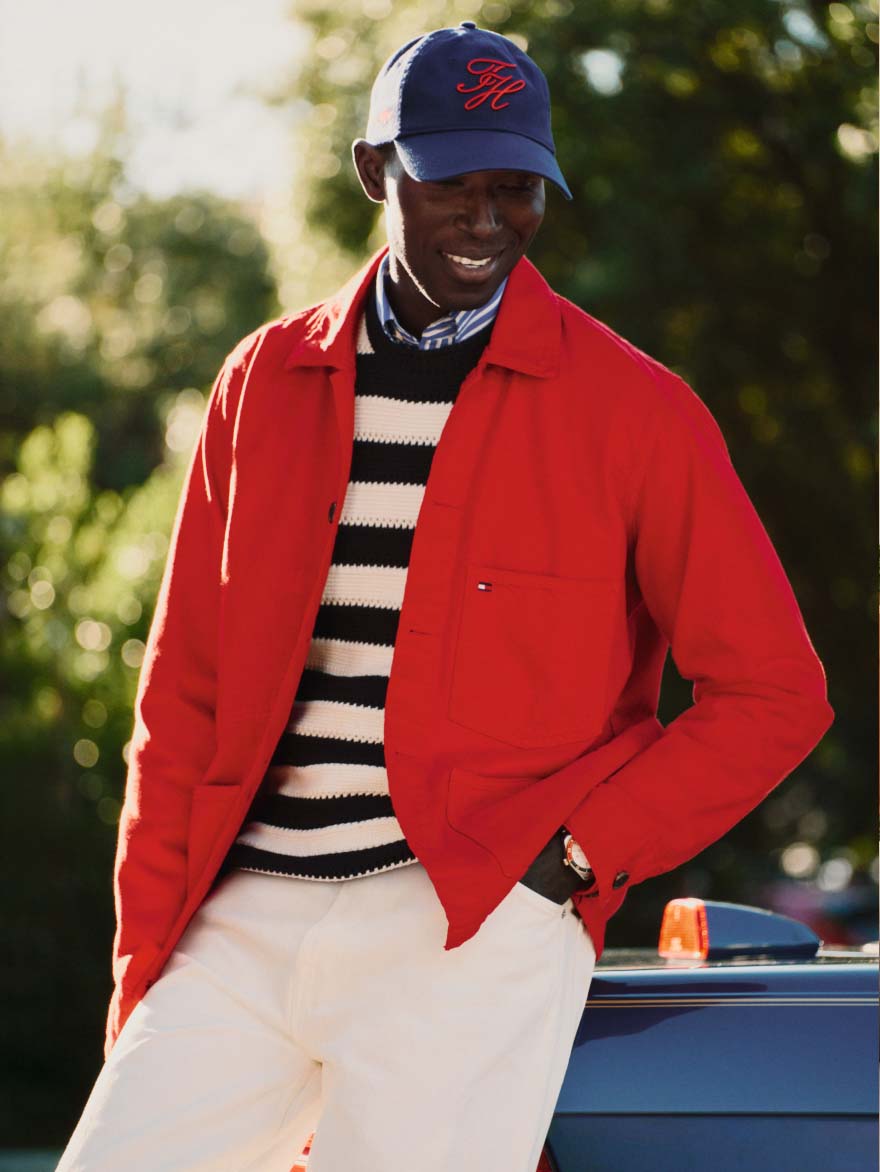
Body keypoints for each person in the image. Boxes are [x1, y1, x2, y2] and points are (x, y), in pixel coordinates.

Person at [57, 21, 834, 1172]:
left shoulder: (636, 413)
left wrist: (572, 861)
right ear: (377, 172)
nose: (486, 217)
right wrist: (150, 967)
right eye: (450, 182)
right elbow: (182, 701)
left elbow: (772, 690)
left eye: (515, 186)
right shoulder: (263, 384)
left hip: (470, 923)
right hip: (243, 920)